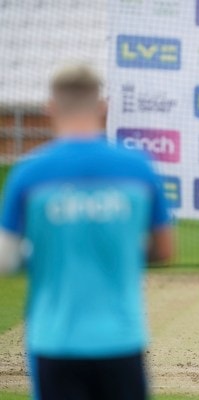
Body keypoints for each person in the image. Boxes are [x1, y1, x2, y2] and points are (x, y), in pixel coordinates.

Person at [0, 63, 173, 399]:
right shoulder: (138, 168)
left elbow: (4, 259)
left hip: (54, 340)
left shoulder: (28, 173)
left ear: (50, 108)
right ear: (102, 106)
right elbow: (164, 250)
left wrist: (45, 252)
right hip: (121, 338)